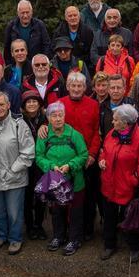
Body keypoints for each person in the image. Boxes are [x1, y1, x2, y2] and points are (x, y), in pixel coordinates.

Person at [0, 91, 35, 254]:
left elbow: (28, 152)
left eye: (2, 105)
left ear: (8, 105)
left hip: (15, 177)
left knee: (14, 212)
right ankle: (0, 236)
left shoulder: (19, 124)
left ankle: (15, 239)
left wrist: (12, 170)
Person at [99, 103, 139, 262]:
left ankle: (135, 247)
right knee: (109, 217)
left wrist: (132, 181)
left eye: (115, 120)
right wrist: (101, 161)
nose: (112, 122)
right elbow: (104, 151)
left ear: (126, 123)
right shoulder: (112, 133)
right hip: (109, 184)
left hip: (127, 188)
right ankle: (109, 245)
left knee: (130, 219)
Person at [36, 101, 90, 256]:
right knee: (57, 210)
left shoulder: (74, 135)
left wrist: (70, 165)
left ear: (65, 116)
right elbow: (39, 156)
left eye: (61, 115)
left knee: (75, 211)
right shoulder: (44, 137)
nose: (58, 119)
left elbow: (83, 154)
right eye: (54, 116)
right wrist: (52, 166)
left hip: (75, 181)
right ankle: (58, 237)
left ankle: (74, 239)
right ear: (48, 118)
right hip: (54, 182)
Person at [60, 72, 102, 239]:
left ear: (85, 88)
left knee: (88, 196)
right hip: (66, 160)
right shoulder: (60, 104)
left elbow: (96, 133)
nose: (76, 89)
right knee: (65, 196)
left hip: (87, 160)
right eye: (73, 86)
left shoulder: (93, 105)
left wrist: (92, 155)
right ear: (68, 87)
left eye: (79, 86)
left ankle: (87, 228)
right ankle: (66, 229)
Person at [19, 90, 49, 240]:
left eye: (34, 101)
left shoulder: (45, 118)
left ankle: (39, 225)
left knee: (40, 195)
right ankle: (29, 226)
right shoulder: (19, 120)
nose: (31, 104)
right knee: (27, 196)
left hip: (41, 162)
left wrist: (45, 124)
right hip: (25, 162)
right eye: (28, 102)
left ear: (39, 103)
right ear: (24, 105)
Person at [3, 0, 52, 64]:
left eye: (27, 12)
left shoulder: (40, 25)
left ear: (31, 12)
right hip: (17, 64)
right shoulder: (11, 26)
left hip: (36, 64)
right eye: (22, 13)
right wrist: (9, 65)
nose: (25, 16)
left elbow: (46, 45)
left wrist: (45, 62)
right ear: (18, 13)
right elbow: (7, 48)